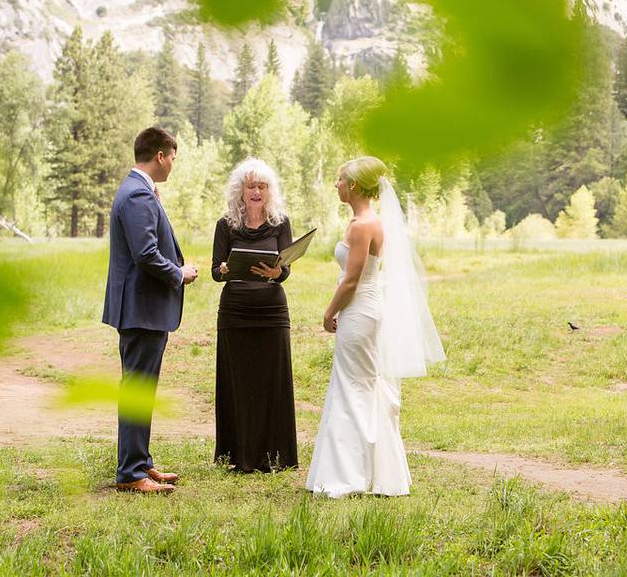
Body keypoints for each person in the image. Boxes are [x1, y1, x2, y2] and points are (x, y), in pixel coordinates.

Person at [306, 156, 445, 497]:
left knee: (353, 386)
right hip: (369, 308)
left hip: (358, 310)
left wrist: (328, 312)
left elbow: (351, 279)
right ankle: (376, 470)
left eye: (339, 180)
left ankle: (350, 473)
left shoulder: (360, 226)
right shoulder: (370, 221)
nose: (336, 185)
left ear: (353, 186)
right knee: (364, 384)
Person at [102, 127, 199, 494]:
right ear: (160, 155)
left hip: (142, 308)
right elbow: (145, 254)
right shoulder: (138, 195)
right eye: (173, 156)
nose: (174, 163)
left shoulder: (138, 191)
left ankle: (140, 462)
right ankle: (130, 473)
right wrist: (179, 273)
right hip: (141, 308)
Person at [211, 158, 298, 473]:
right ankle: (239, 456)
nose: (257, 191)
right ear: (241, 190)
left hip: (272, 312)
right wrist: (223, 269)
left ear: (269, 190)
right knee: (239, 383)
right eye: (251, 186)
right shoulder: (226, 224)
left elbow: (285, 269)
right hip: (236, 312)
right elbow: (215, 271)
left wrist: (278, 270)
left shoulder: (280, 222)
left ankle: (276, 456)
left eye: (262, 186)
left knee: (273, 382)